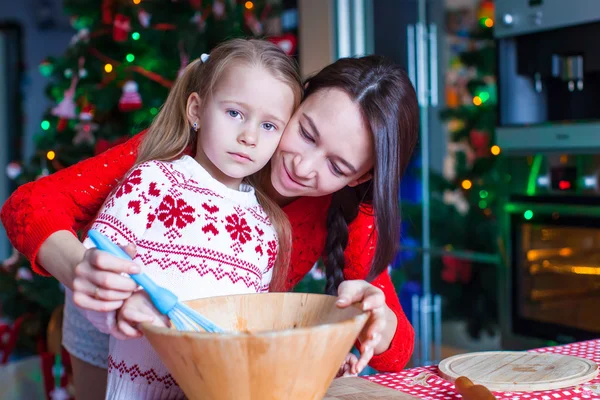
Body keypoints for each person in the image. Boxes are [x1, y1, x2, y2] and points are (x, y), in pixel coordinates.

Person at [0, 44, 419, 400]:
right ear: (296, 101)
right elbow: (30, 203)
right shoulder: (183, 152)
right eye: (306, 133)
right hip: (113, 331)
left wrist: (376, 324)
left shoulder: (347, 212)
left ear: (360, 177)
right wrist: (82, 271)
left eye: (337, 164)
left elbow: (395, 353)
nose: (303, 166)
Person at [71, 38, 302, 399]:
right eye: (234, 113)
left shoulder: (265, 230)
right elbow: (95, 284)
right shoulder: (151, 184)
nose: (249, 137)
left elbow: (250, 332)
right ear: (196, 110)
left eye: (270, 126)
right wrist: (121, 309)